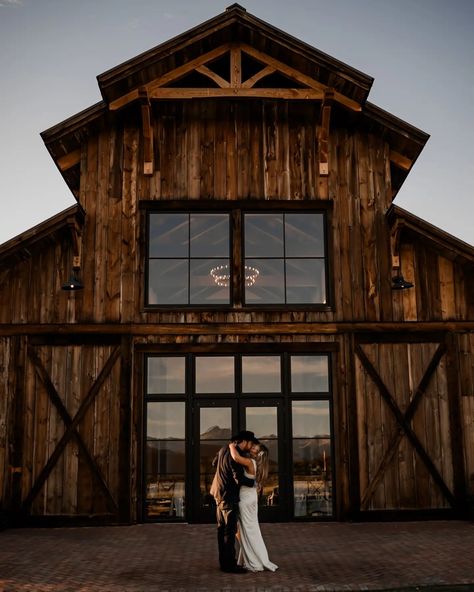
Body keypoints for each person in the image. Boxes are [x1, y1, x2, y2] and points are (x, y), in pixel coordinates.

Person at [210, 430, 258, 574]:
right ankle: (229, 565)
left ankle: (224, 563)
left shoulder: (223, 449)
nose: (251, 446)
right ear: (244, 441)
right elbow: (239, 479)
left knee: (221, 529)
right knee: (229, 531)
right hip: (228, 496)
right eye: (250, 443)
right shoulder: (234, 455)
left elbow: (214, 463)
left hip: (217, 492)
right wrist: (254, 482)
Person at [228, 441, 278, 572]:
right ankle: (249, 556)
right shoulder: (260, 466)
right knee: (250, 529)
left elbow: (236, 458)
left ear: (258, 453)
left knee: (248, 530)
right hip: (251, 498)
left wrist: (231, 446)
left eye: (255, 447)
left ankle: (256, 560)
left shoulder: (251, 463)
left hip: (245, 499)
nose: (252, 447)